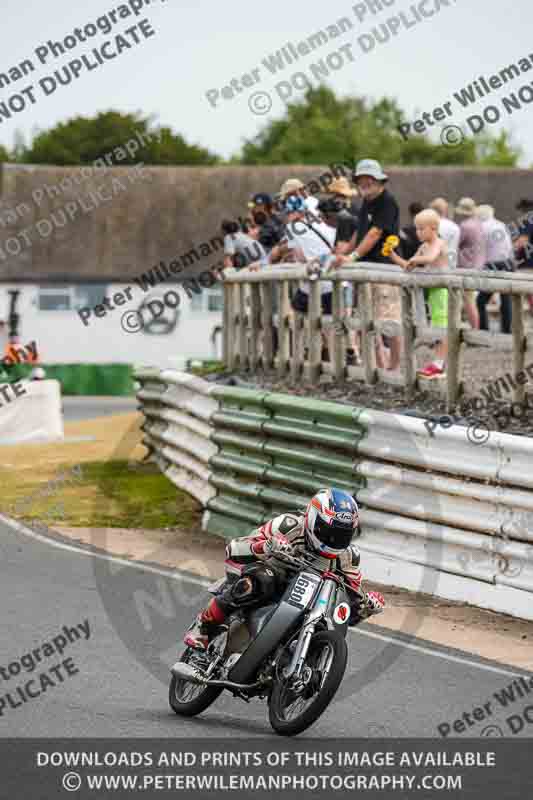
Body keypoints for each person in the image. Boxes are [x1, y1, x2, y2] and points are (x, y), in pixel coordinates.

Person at [184, 487, 385, 650]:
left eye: (342, 535)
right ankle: (204, 626)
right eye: (329, 531)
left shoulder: (348, 556)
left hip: (310, 601)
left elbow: (346, 608)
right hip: (272, 582)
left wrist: (365, 608)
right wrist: (265, 546)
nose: (334, 539)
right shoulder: (289, 525)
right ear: (313, 519)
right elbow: (234, 550)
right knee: (260, 580)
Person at [333, 159, 402, 371]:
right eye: (361, 179)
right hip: (366, 269)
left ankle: (394, 367)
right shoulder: (366, 202)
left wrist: (352, 256)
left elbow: (375, 233)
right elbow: (360, 232)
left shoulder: (387, 201)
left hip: (384, 268)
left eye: (369, 178)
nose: (364, 182)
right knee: (367, 319)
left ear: (379, 180)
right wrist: (342, 254)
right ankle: (378, 367)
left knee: (390, 321)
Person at [389, 208, 448, 379]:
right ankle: (437, 363)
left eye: (422, 229)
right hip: (431, 291)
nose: (418, 232)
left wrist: (416, 259)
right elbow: (408, 266)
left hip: (441, 290)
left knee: (441, 326)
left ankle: (439, 364)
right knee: (435, 326)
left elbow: (430, 258)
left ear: (434, 228)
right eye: (417, 229)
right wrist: (393, 255)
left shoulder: (438, 243)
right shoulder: (423, 246)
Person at [475, 205, 515, 334]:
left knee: (480, 300)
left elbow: (480, 250)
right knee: (506, 299)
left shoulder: (481, 227)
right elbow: (509, 247)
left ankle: (483, 329)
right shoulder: (501, 224)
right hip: (508, 263)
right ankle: (507, 330)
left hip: (493, 265)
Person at [455, 197, 485, 329]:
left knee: (468, 301)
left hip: (467, 267)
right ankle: (475, 328)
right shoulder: (479, 224)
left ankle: (474, 329)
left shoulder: (465, 226)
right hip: (478, 265)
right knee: (471, 300)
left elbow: (457, 243)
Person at [429, 197, 460, 270]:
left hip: (431, 266)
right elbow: (454, 248)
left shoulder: (427, 225)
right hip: (449, 266)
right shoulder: (454, 227)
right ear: (445, 210)